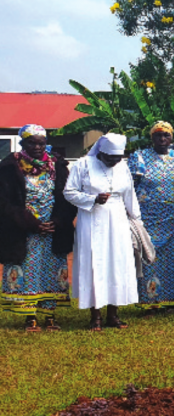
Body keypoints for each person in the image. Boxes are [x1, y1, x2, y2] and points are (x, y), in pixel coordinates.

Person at [0, 125, 74, 331]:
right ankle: (29, 317)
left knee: (51, 271)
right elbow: (4, 201)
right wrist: (30, 223)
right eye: (32, 142)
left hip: (52, 230)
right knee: (28, 270)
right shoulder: (9, 167)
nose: (37, 146)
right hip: (24, 230)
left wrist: (58, 221)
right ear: (22, 143)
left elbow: (66, 196)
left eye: (41, 142)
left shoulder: (57, 166)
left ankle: (50, 316)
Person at [63, 133, 139, 330]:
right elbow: (69, 192)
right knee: (95, 264)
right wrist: (92, 199)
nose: (114, 162)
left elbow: (129, 193)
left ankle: (113, 315)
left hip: (118, 219)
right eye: (110, 158)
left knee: (117, 264)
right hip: (92, 219)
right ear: (100, 152)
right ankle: (95, 316)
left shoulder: (123, 166)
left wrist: (136, 219)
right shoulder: (82, 164)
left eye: (117, 158)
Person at [127, 122, 174, 315]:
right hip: (148, 219)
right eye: (158, 136)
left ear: (172, 138)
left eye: (166, 135)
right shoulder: (139, 158)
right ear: (152, 138)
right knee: (150, 259)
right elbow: (130, 187)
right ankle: (151, 301)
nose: (162, 139)